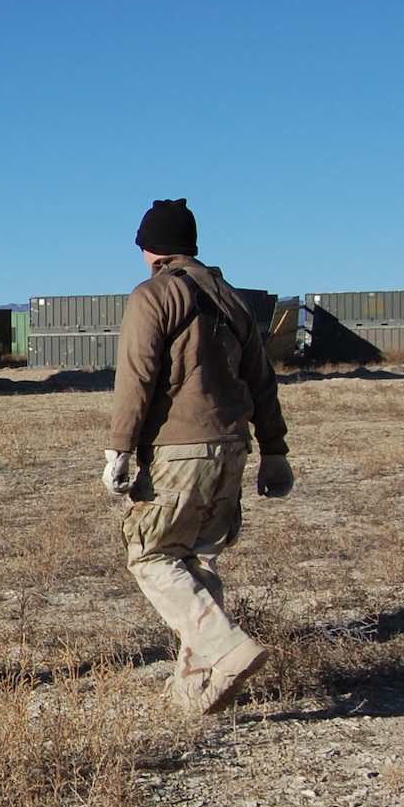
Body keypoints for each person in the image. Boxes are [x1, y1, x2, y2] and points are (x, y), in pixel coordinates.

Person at [105, 199, 292, 715]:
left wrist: (120, 448)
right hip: (233, 448)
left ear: (149, 248)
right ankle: (197, 690)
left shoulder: (154, 294)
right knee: (198, 559)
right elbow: (262, 381)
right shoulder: (230, 298)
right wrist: (274, 451)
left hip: (180, 449)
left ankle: (225, 646)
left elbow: (137, 377)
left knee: (152, 554)